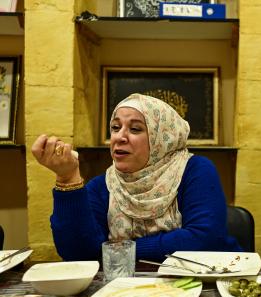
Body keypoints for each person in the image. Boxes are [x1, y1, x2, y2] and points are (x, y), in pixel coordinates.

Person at [31, 93, 241, 262]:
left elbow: (203, 239)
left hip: (210, 284)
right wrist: (68, 178)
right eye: (115, 127)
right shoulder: (102, 186)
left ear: (162, 138)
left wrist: (121, 250)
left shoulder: (195, 170)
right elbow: (78, 254)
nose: (119, 137)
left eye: (135, 129)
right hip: (127, 289)